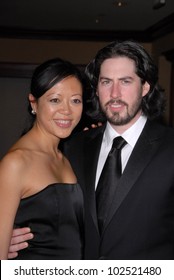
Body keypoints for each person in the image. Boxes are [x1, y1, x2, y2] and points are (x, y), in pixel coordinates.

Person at [8, 40, 174, 260]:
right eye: (106, 82)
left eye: (125, 81)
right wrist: (10, 236)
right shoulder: (70, 147)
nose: (114, 93)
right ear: (96, 88)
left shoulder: (169, 147)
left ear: (145, 87)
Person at [0, 58, 85, 260]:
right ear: (34, 103)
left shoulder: (67, 156)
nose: (66, 110)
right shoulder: (16, 163)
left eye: (75, 100)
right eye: (55, 100)